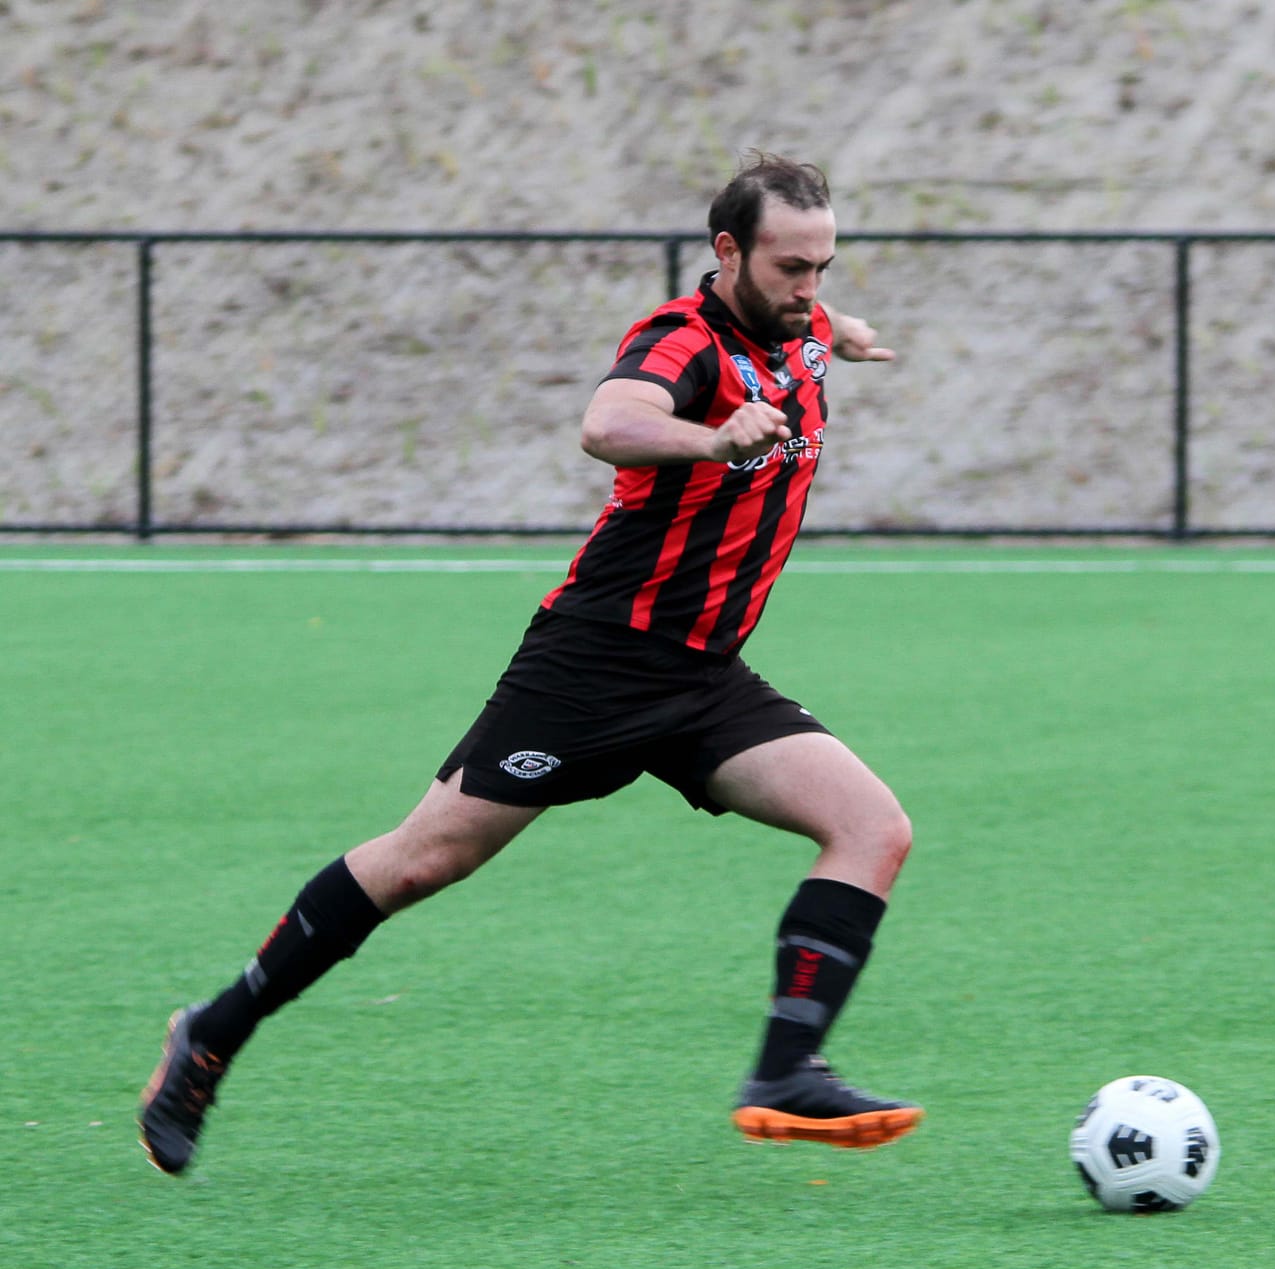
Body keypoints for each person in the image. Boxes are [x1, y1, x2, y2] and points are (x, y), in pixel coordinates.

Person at [139, 153, 922, 1175]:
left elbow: (818, 327)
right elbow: (608, 421)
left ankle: (783, 1072)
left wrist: (847, 334)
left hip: (702, 678)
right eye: (790, 267)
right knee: (424, 858)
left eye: (824, 265)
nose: (809, 288)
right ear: (726, 251)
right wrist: (712, 438)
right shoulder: (679, 341)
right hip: (592, 663)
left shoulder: (802, 323)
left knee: (872, 826)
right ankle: (213, 1029)